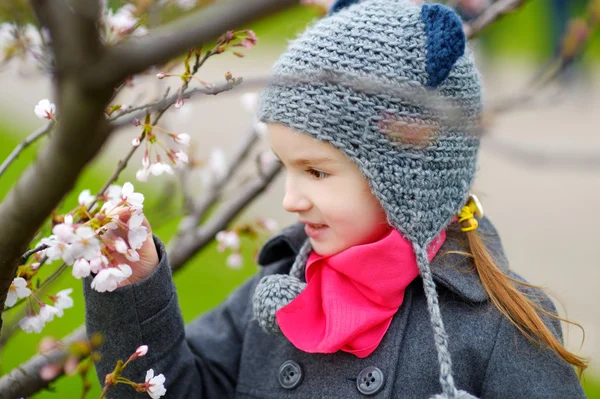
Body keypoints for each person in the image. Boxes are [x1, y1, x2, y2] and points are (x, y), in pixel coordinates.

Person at [83, 1, 588, 398]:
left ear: (410, 173)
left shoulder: (497, 331)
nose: (290, 201)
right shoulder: (279, 293)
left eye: (317, 172)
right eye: (286, 166)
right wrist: (135, 289)